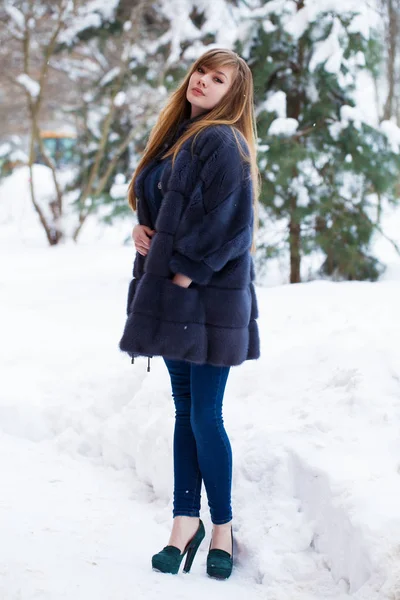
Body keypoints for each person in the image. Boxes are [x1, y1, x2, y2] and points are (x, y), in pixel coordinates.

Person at [119, 48, 260, 580]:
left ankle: (221, 524)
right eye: (201, 71)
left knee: (205, 413)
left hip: (207, 298)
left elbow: (236, 228)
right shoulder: (178, 136)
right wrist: (141, 231)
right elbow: (161, 208)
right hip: (176, 298)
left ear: (234, 93)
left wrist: (180, 273)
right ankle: (184, 523)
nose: (201, 81)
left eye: (217, 77)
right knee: (186, 411)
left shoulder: (222, 140)